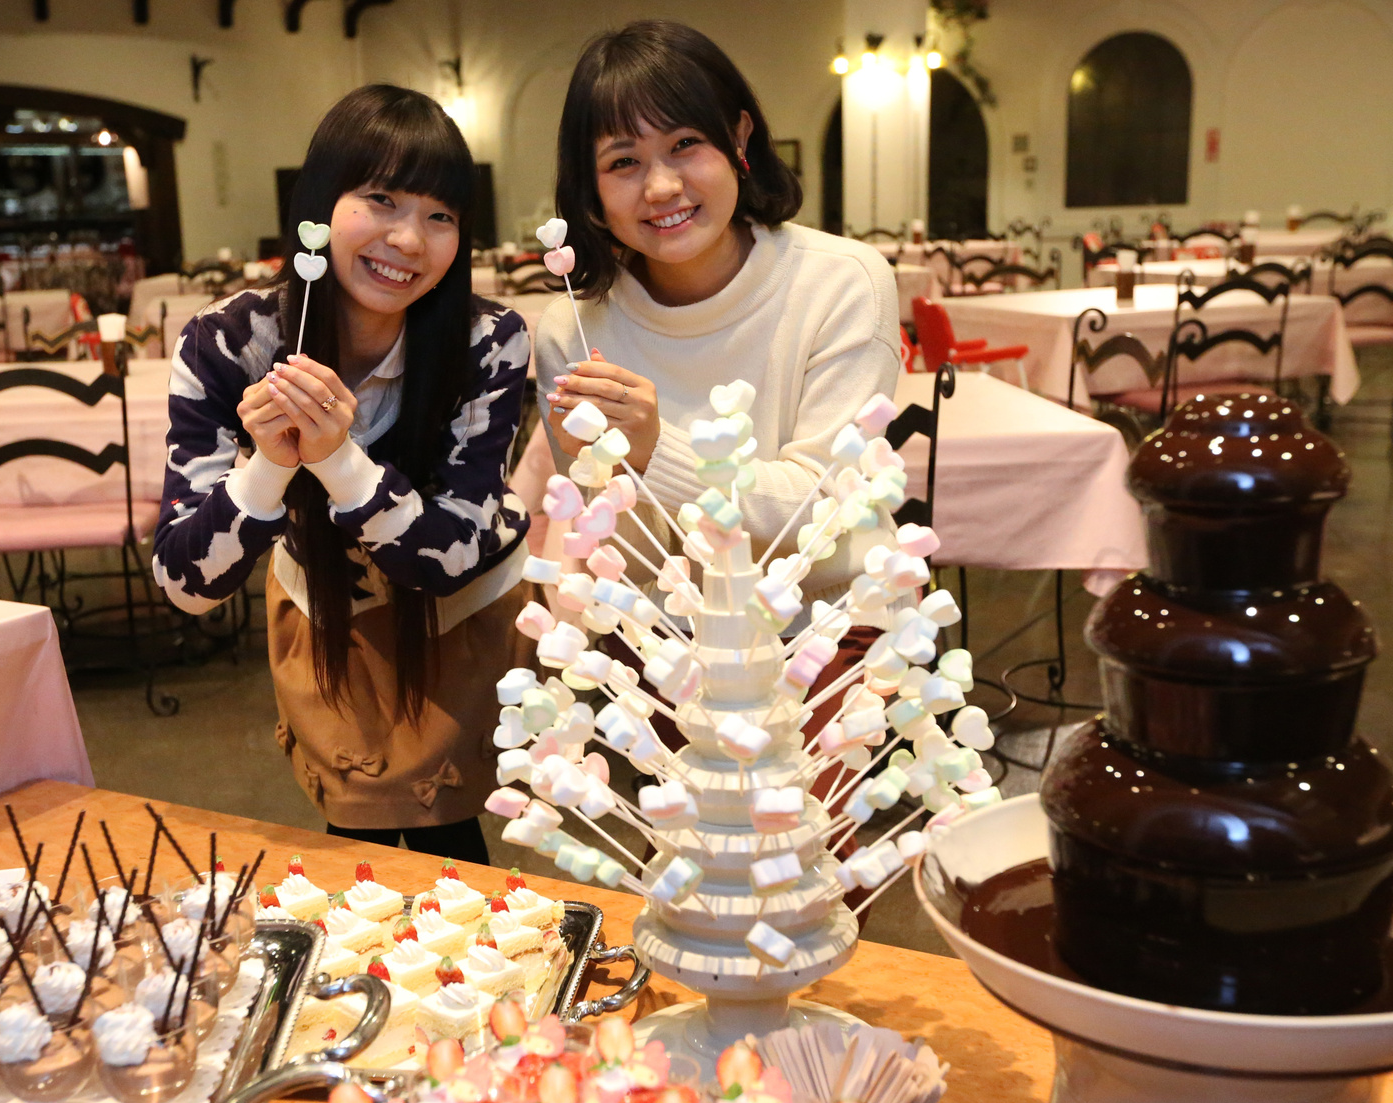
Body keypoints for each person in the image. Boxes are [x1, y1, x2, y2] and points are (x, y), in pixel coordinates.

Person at [153, 85, 533, 864]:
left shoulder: (488, 342)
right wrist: (268, 471)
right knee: (356, 819)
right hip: (324, 608)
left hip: (461, 615)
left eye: (441, 215)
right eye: (381, 198)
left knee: (451, 822)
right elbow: (185, 582)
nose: (409, 239)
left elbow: (452, 554)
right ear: (320, 208)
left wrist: (335, 457)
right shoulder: (231, 343)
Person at [527, 18, 900, 617]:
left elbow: (829, 508)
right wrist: (605, 477)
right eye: (624, 162)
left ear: (739, 138)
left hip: (833, 627)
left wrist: (654, 449)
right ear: (590, 190)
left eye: (684, 145)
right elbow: (625, 562)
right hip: (667, 639)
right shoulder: (572, 329)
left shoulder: (843, 283)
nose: (662, 186)